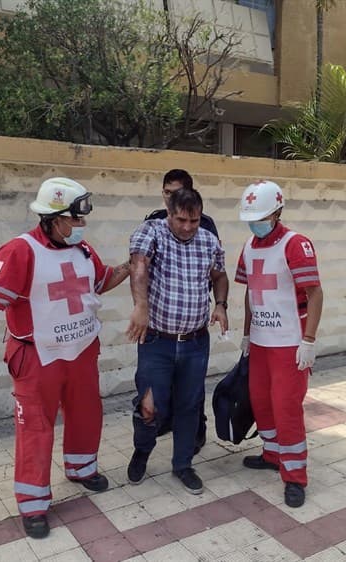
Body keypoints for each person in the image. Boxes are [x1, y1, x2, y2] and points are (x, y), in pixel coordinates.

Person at [0, 177, 130, 539]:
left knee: (87, 412)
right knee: (35, 428)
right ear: (53, 219)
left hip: (81, 351)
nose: (81, 226)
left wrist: (130, 266)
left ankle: (82, 467)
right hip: (36, 356)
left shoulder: (83, 250)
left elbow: (101, 281)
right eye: (76, 219)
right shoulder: (18, 251)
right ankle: (33, 503)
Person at [126, 187, 229, 494]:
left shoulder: (209, 240)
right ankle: (142, 452)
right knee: (149, 405)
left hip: (196, 343)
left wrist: (221, 304)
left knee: (189, 406)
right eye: (181, 219)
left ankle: (183, 464)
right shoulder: (152, 232)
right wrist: (141, 306)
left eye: (194, 220)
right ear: (169, 213)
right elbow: (139, 266)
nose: (187, 227)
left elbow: (219, 275)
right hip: (157, 341)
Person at [235, 180, 323, 508]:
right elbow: (250, 292)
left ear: (277, 212)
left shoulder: (295, 244)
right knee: (262, 403)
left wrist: (309, 340)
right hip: (260, 342)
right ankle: (272, 454)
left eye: (261, 217)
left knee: (287, 409)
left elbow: (315, 293)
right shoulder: (249, 245)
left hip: (289, 343)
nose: (255, 223)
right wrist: (246, 334)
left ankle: (295, 476)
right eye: (251, 218)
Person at [144, 168, 219, 453]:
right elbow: (142, 266)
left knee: (192, 389)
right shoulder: (153, 223)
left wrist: (213, 304)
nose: (170, 199)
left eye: (175, 193)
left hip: (193, 322)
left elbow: (214, 269)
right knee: (161, 385)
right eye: (166, 193)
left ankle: (195, 432)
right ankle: (166, 422)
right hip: (161, 325)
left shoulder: (205, 225)